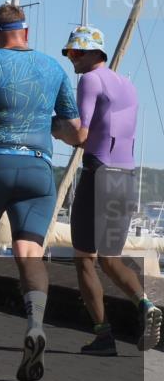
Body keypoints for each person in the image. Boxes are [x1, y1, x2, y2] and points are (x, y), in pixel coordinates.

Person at [0, 3, 80, 381]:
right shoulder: (53, 68)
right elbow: (75, 131)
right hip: (38, 170)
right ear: (27, 32)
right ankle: (35, 325)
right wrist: (51, 129)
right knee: (29, 254)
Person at [53, 25, 162, 354]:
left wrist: (55, 129)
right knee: (111, 259)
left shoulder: (90, 80)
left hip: (98, 174)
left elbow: (81, 135)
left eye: (76, 52)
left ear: (93, 53)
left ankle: (103, 337)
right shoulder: (128, 85)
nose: (71, 58)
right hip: (124, 178)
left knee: (84, 259)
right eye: (69, 52)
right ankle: (145, 304)